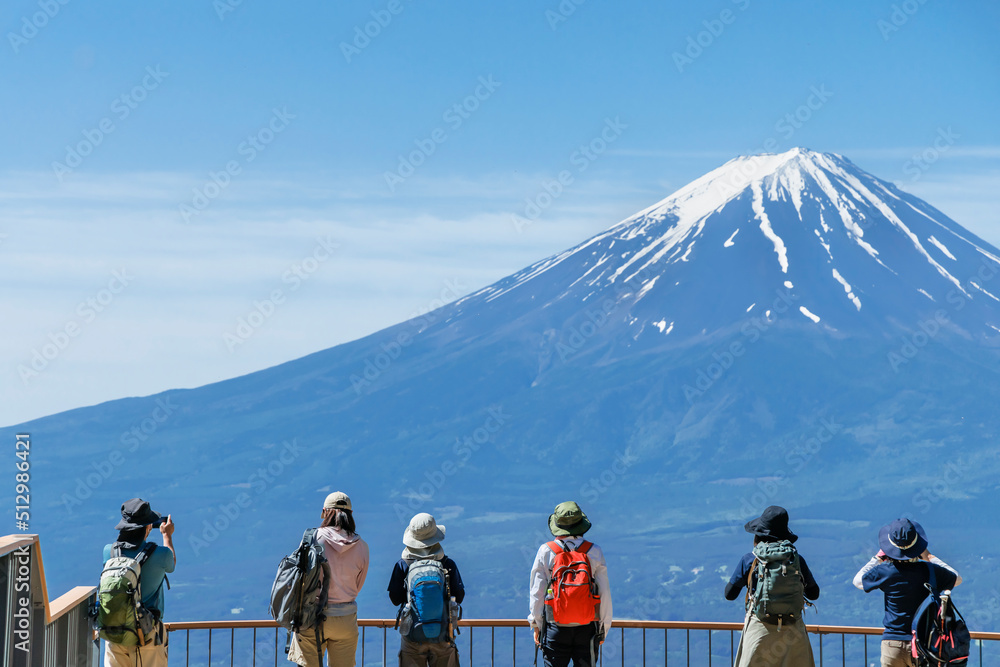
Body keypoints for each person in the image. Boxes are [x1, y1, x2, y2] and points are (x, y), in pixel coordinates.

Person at [853, 518, 962, 667]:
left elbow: (858, 581)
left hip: (892, 645)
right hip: (923, 644)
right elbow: (957, 579)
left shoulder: (886, 572)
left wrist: (877, 558)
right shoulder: (929, 570)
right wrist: (929, 556)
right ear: (917, 546)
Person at [724, 505, 820, 667]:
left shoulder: (750, 560)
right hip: (792, 632)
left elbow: (729, 594)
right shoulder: (796, 560)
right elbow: (814, 594)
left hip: (759, 630)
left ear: (759, 536)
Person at [288, 492, 370, 667]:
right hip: (346, 618)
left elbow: (299, 577)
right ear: (350, 514)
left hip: (312, 616)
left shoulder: (312, 539)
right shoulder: (362, 546)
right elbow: (358, 585)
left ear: (325, 512)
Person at [528, 501, 612, 667]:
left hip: (555, 626)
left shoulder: (546, 551)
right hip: (587, 627)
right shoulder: (594, 551)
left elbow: (536, 592)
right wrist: (603, 628)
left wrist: (536, 624)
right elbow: (604, 593)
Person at [102, 498, 176, 667]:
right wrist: (167, 536)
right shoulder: (161, 554)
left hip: (115, 632)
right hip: (147, 633)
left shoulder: (109, 552)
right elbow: (171, 563)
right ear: (148, 526)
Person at [388, 513, 465, 667]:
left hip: (412, 635)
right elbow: (459, 596)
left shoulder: (403, 565)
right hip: (443, 633)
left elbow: (395, 599)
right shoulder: (447, 563)